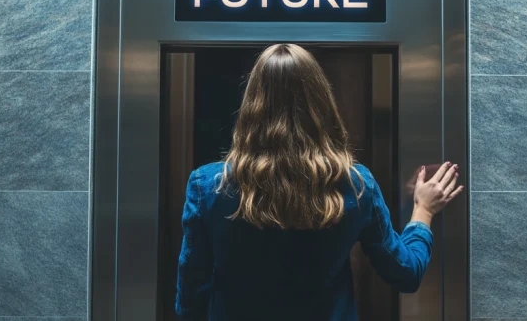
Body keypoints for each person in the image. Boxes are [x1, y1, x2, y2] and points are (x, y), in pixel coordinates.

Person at [175, 43, 463, 321]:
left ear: (252, 105)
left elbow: (190, 298)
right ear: (321, 103)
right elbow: (405, 273)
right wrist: (423, 210)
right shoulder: (356, 185)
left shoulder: (207, 185)